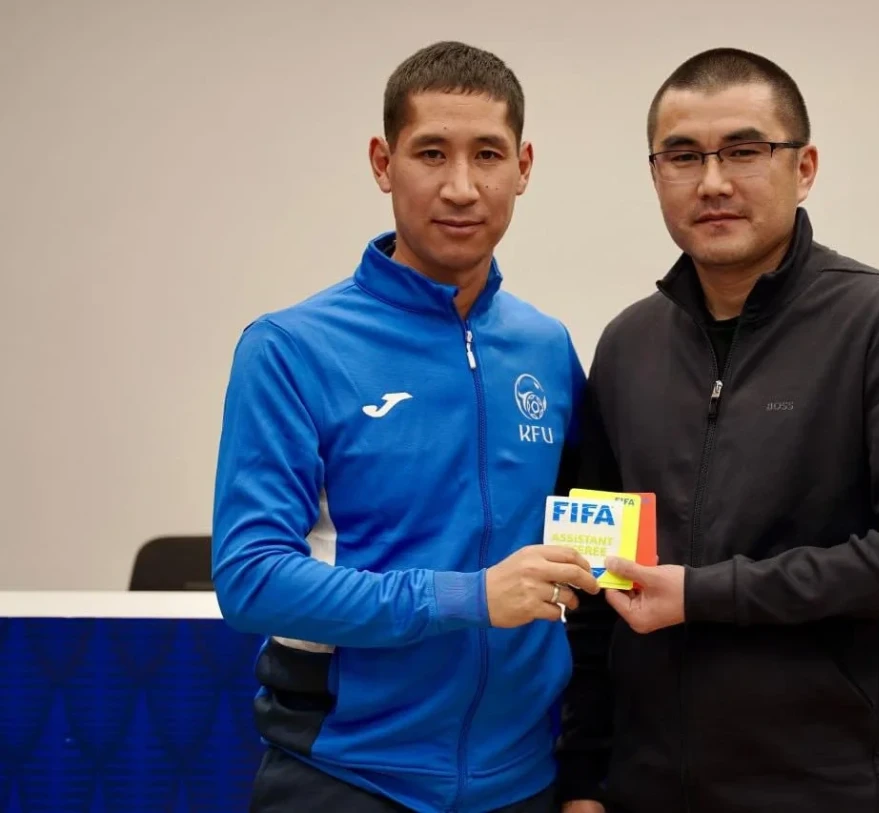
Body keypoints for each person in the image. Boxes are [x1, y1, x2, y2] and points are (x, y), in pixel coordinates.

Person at [556, 47, 879, 813]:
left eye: (744, 151)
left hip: (834, 791)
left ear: (804, 167)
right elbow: (597, 580)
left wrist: (704, 594)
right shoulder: (627, 346)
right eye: (683, 156)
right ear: (656, 174)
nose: (713, 182)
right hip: (648, 789)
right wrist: (585, 778)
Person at [212, 41, 599, 813]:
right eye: (431, 153)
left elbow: (588, 555)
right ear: (382, 163)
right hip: (345, 779)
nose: (461, 187)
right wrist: (469, 596)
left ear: (523, 166)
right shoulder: (291, 348)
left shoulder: (546, 348)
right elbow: (251, 577)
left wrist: (590, 773)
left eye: (487, 154)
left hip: (523, 782)